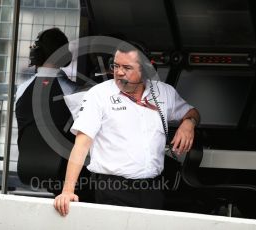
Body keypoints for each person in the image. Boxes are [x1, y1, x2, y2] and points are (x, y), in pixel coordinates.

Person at [54, 40, 200, 216]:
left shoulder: (164, 92)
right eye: (115, 66)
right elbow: (81, 144)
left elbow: (192, 112)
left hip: (152, 189)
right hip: (112, 189)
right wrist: (68, 190)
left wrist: (189, 123)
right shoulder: (99, 95)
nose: (119, 72)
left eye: (127, 67)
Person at [15, 27, 74, 143]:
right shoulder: (74, 92)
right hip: (65, 160)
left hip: (25, 160)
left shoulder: (21, 90)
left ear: (36, 54)